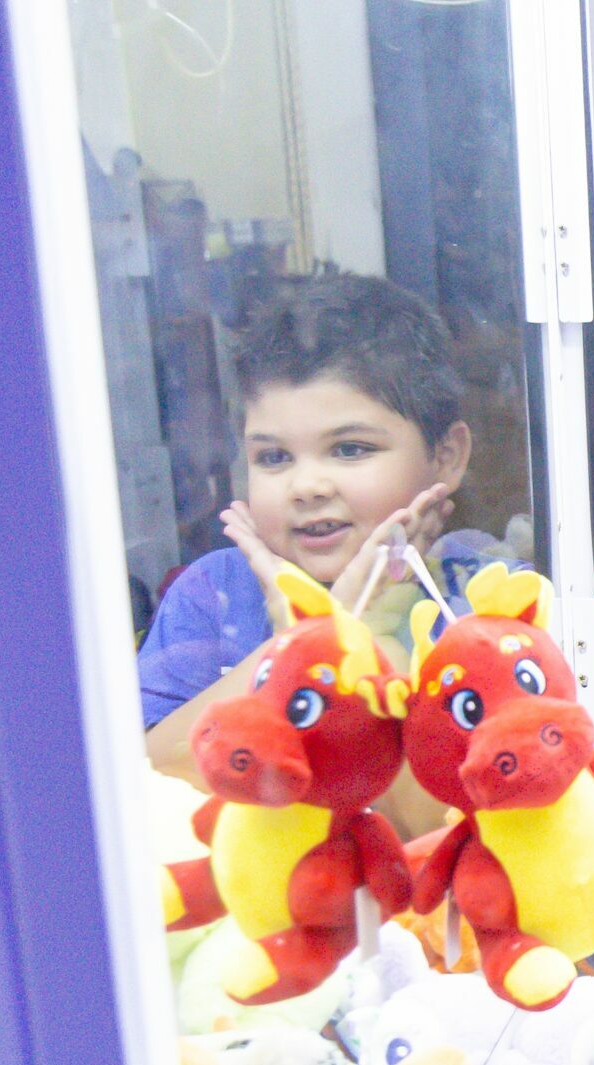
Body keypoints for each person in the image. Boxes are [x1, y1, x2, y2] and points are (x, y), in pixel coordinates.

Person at [139, 273, 482, 819]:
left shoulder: (482, 600)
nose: (307, 487)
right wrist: (310, 637)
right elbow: (148, 781)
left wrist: (362, 627)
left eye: (350, 449)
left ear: (446, 457)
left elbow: (444, 822)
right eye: (274, 458)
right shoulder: (213, 593)